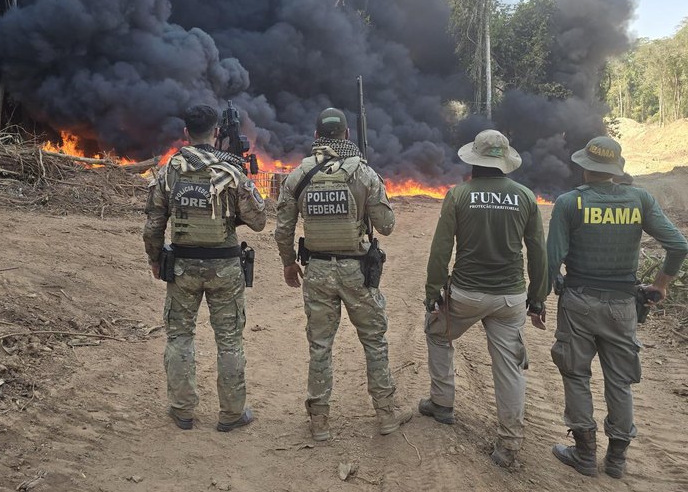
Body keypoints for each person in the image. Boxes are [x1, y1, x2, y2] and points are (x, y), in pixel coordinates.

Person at [547, 136, 688, 479]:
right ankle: (616, 460)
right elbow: (678, 245)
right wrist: (661, 285)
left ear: (584, 167)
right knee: (620, 382)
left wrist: (544, 295)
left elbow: (552, 260)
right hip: (624, 305)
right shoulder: (639, 199)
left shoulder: (569, 203)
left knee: (576, 375)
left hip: (578, 301)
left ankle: (583, 454)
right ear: (615, 169)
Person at [274, 107, 412, 442]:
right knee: (374, 342)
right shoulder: (363, 173)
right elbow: (388, 226)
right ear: (347, 135)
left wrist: (289, 262)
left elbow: (282, 229)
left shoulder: (299, 175)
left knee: (320, 344)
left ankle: (319, 421)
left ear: (317, 136)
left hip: (317, 270)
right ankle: (386, 416)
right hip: (356, 272)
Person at [421, 129, 548, 468]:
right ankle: (508, 443)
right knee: (509, 367)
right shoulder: (524, 196)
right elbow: (538, 252)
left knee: (437, 332)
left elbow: (441, 249)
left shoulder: (458, 195)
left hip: (465, 294)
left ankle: (442, 404)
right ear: (504, 163)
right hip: (510, 299)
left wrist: (433, 291)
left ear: (473, 160)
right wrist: (537, 298)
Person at [143, 104, 267, 432]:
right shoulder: (231, 170)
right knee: (229, 340)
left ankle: (182, 410)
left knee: (180, 336)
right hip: (224, 267)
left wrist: (155, 259)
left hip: (182, 265)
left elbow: (153, 225)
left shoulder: (171, 170)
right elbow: (259, 221)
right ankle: (231, 414)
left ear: (186, 133)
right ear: (215, 133)